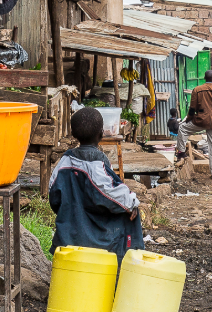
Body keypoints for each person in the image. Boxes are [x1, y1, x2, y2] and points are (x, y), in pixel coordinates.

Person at [48, 107, 144, 263]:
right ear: (101, 133)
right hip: (96, 237)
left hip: (68, 233)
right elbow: (109, 192)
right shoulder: (96, 163)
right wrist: (132, 202)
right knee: (132, 210)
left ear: (73, 135)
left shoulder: (64, 162)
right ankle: (127, 262)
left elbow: (54, 197)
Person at [179, 70, 212, 178]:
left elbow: (192, 108)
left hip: (201, 120)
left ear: (204, 78)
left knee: (182, 128)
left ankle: (181, 152)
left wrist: (188, 119)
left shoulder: (197, 90)